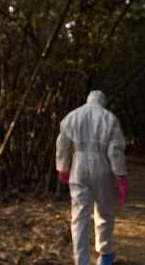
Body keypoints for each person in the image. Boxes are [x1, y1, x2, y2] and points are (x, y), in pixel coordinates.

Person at [55, 90, 128, 265]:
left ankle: (82, 261)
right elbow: (115, 150)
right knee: (104, 212)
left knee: (79, 216)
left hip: (78, 166)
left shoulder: (72, 116)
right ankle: (104, 255)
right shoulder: (109, 118)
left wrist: (63, 168)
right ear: (102, 101)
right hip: (102, 166)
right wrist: (121, 175)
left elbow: (62, 146)